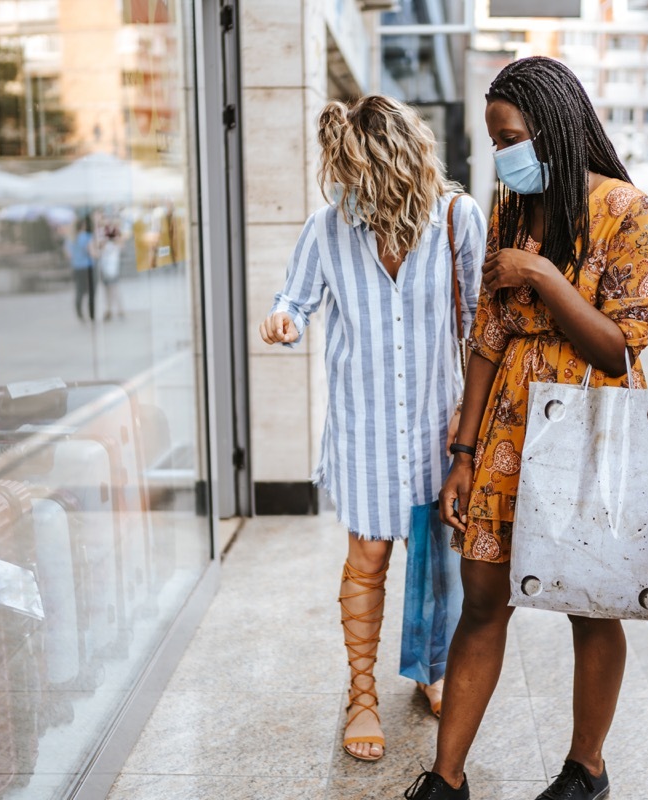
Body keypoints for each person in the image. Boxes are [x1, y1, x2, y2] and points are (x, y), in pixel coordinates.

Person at [406, 56, 648, 800]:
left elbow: (619, 346)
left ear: (552, 129)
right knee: (482, 598)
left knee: (589, 603)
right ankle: (446, 778)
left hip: (588, 428)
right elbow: (486, 338)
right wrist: (462, 450)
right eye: (494, 143)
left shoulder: (626, 209)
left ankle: (586, 769)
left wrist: (545, 277)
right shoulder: (512, 210)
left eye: (511, 137)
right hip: (510, 429)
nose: (503, 156)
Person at [259, 95, 486, 763]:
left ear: (406, 163)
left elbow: (478, 325)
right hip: (361, 430)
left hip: (436, 426)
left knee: (436, 561)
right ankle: (362, 693)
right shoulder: (328, 229)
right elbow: (293, 299)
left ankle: (430, 670)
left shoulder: (456, 218)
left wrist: (467, 420)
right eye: (351, 178)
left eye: (371, 177)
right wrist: (284, 321)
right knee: (368, 560)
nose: (362, 195)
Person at [98, 214, 126, 322]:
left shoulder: (114, 244)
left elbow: (120, 244)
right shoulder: (104, 241)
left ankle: (118, 309)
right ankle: (111, 309)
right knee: (109, 289)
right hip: (106, 267)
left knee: (113, 288)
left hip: (112, 268)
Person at [67, 217, 96, 321]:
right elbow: (92, 252)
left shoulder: (71, 239)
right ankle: (92, 314)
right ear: (83, 226)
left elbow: (69, 255)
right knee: (91, 292)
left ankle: (79, 312)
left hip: (77, 267)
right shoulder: (87, 237)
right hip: (88, 267)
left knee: (80, 290)